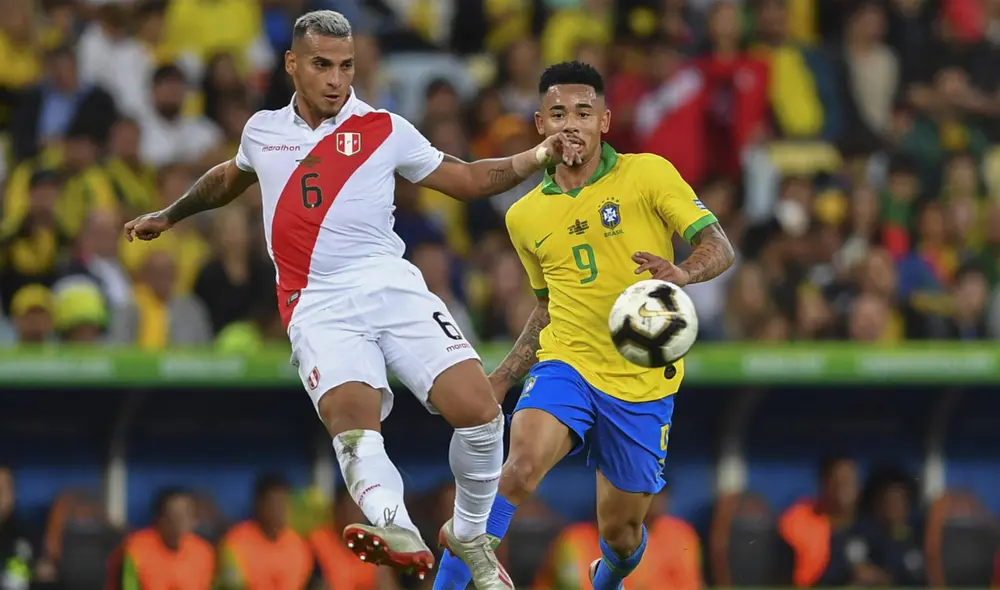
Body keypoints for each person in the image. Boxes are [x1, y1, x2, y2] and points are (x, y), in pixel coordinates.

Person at [123, 10, 580, 589]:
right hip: (316, 304)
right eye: (322, 66)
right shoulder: (262, 131)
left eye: (346, 67)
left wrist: (537, 155)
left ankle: (468, 535)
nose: (336, 80)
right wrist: (171, 213)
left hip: (390, 284)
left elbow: (466, 181)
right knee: (353, 422)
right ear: (292, 64)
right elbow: (228, 178)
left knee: (482, 413)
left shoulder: (384, 127)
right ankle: (395, 527)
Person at [433, 61, 735, 590]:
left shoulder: (648, 175)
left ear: (605, 122)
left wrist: (682, 272)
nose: (570, 123)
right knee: (520, 467)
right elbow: (548, 305)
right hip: (566, 363)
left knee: (620, 535)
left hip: (642, 379)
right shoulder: (524, 216)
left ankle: (608, 578)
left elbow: (720, 247)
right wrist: (504, 375)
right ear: (539, 125)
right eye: (557, 114)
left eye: (582, 112)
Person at [119, 488, 215, 590]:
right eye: (175, 515)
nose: (181, 522)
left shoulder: (203, 552)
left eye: (187, 515)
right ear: (160, 519)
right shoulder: (136, 549)